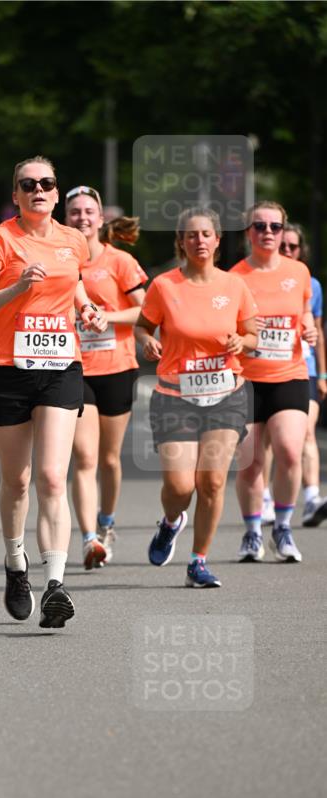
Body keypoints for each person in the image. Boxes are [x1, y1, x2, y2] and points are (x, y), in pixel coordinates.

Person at [0, 156, 107, 626]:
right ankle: (15, 562)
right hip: (6, 368)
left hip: (60, 366)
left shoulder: (73, 241)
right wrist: (18, 289)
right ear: (17, 195)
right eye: (29, 184)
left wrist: (88, 312)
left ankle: (55, 585)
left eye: (47, 183)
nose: (39, 190)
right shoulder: (0, 239)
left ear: (57, 192)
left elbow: (75, 289)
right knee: (18, 480)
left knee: (51, 477)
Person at [134, 208, 257, 588]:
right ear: (181, 242)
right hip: (175, 397)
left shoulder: (234, 285)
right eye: (191, 235)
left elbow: (252, 336)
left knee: (213, 482)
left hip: (226, 396)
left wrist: (242, 341)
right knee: (180, 486)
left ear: (218, 240)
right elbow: (141, 327)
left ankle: (198, 562)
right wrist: (147, 340)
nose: (199, 241)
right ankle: (171, 522)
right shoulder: (165, 286)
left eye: (206, 234)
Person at [64, 186, 148, 568]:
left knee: (109, 459)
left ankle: (107, 522)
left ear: (101, 219)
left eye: (88, 212)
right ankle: (88, 539)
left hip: (116, 367)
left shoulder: (121, 262)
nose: (82, 218)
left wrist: (103, 316)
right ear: (66, 218)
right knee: (84, 456)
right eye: (75, 212)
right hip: (72, 367)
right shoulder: (60, 260)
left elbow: (146, 313)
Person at [232, 202, 318, 562]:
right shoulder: (235, 277)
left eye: (275, 226)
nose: (268, 232)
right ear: (249, 232)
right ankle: (252, 533)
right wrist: (246, 331)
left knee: (288, 450)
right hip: (247, 380)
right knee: (250, 462)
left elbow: (304, 313)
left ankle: (282, 527)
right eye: (260, 226)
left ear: (283, 232)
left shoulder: (298, 272)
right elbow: (221, 326)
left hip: (290, 374)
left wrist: (309, 327)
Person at [279, 223, 327, 526]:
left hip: (303, 367)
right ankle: (268, 500)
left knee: (305, 431)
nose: (286, 251)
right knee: (272, 440)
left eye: (292, 247)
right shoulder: (251, 279)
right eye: (283, 245)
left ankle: (312, 498)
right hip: (266, 368)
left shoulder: (312, 284)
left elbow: (318, 331)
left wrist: (323, 373)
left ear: (301, 250)